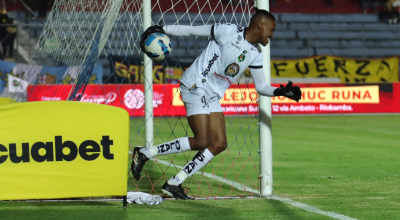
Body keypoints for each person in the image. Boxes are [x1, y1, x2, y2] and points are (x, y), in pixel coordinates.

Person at [131, 8, 302, 200]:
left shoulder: (256, 53)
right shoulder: (228, 32)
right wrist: (163, 28)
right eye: (271, 29)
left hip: (212, 94)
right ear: (260, 25)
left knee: (219, 143)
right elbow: (192, 30)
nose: (272, 34)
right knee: (202, 140)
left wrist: (281, 91)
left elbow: (261, 86)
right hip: (196, 85)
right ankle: (145, 152)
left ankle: (174, 182)